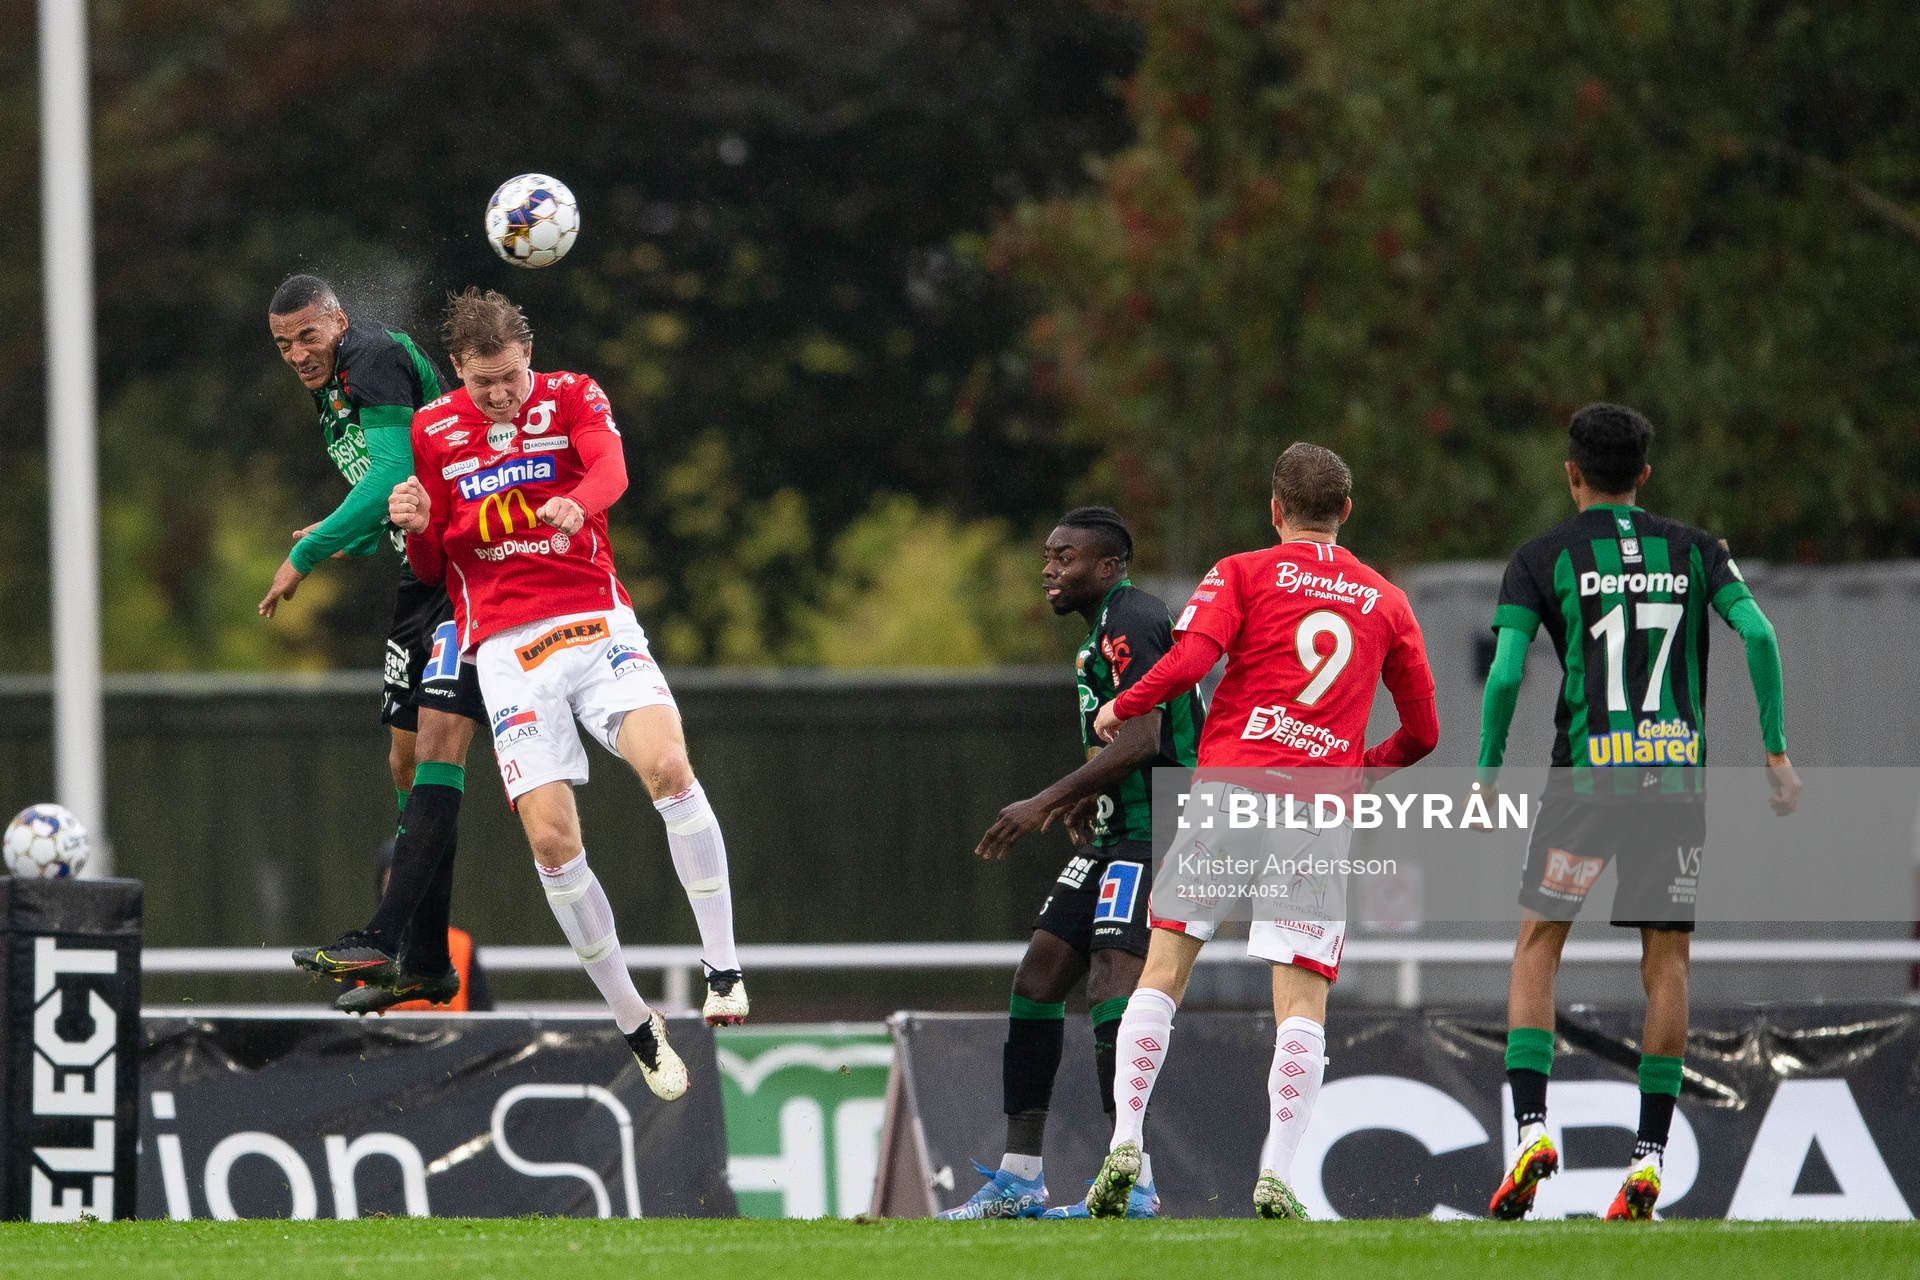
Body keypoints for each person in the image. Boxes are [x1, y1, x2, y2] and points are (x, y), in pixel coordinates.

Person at [385, 286, 750, 1097]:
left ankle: (722, 966)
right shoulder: (433, 429)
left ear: (528, 358)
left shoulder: (575, 393)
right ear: (458, 372)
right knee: (551, 843)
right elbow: (432, 568)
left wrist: (574, 504)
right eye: (485, 384)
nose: (502, 396)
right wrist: (412, 526)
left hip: (594, 625)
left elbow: (613, 468)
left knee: (670, 769)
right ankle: (635, 1022)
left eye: (511, 377)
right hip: (507, 652)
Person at [1084, 442, 1439, 1219]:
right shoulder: (1385, 601)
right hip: (1316, 810)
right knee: (1302, 1000)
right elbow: (1425, 733)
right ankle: (1277, 1171)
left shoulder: (1243, 571)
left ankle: (1126, 1141)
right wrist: (1360, 766)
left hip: (1231, 795)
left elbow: (1189, 662)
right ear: (1345, 511)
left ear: (1274, 510)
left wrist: (1122, 705)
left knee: (1164, 970)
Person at [1479, 404, 1799, 1221]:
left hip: (1586, 782)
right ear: (1645, 476)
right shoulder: (1697, 551)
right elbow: (1759, 636)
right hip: (1672, 784)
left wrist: (1486, 768)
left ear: (1571, 472)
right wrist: (1774, 751)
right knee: (1667, 964)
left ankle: (1532, 1133)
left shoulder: (1540, 558)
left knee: (1535, 947)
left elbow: (1509, 672)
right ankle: (1648, 1157)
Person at [938, 508, 1204, 1220]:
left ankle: (1134, 1179)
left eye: (1065, 558)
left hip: (1159, 833)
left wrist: (1046, 799)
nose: (1050, 570)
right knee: (1040, 976)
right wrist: (1089, 792)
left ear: (1109, 565)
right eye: (1047, 557)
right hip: (1117, 829)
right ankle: (1020, 1178)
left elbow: (1147, 734)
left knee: (1115, 981)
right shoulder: (1104, 629)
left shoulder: (1136, 619)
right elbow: (1119, 737)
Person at [264, 275, 487, 1015]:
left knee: (437, 747)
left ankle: (389, 939)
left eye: (308, 336)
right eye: (283, 344)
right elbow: (387, 497)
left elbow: (396, 469)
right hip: (419, 575)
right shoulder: (329, 387)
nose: (298, 354)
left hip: (469, 573)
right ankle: (424, 960)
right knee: (403, 758)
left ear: (339, 321)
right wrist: (343, 532)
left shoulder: (374, 355)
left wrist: (313, 549)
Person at [331, 839, 495, 1014]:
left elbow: (484, 1024)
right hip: (378, 1041)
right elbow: (338, 1026)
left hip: (451, 1041)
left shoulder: (461, 947)